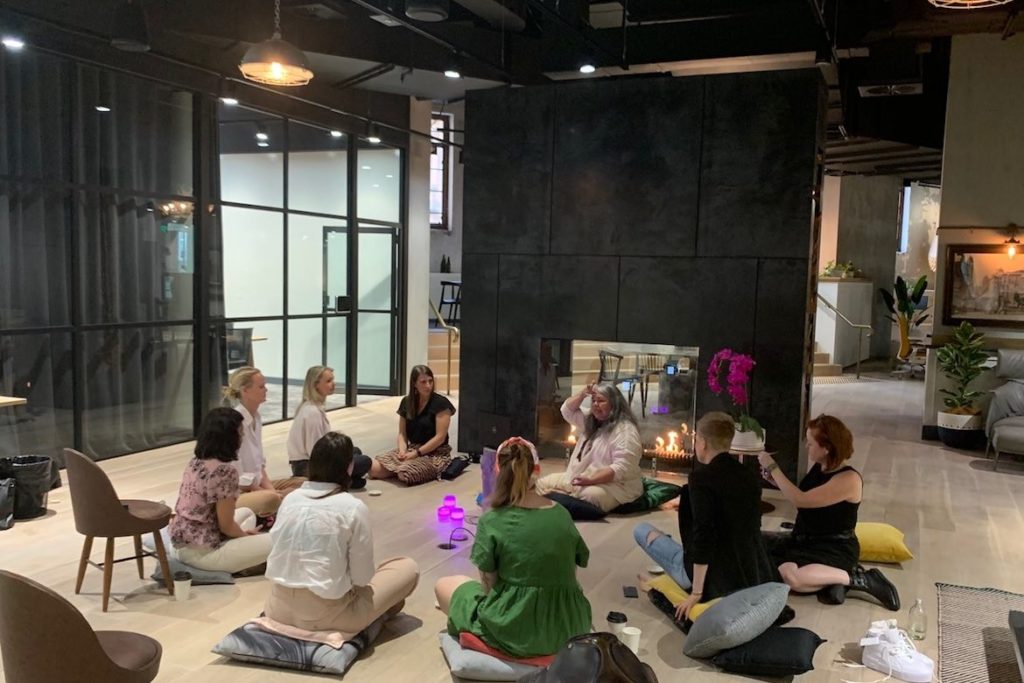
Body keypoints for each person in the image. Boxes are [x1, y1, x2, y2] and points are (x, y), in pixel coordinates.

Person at [435, 437, 593, 658]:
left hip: (513, 630)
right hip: (570, 626)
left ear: (498, 471)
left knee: (446, 585)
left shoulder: (492, 520)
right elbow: (574, 569)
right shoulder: (562, 514)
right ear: (536, 470)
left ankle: (500, 646)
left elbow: (488, 585)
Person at [265, 432, 419, 636]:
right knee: (407, 567)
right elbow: (362, 578)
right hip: (328, 617)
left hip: (276, 608)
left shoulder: (290, 499)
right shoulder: (352, 507)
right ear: (349, 467)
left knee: (386, 591)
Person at [633, 411, 778, 619]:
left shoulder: (701, 479)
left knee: (642, 530)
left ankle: (681, 579)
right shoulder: (749, 475)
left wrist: (696, 593)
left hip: (710, 576)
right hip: (748, 569)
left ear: (702, 442)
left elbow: (705, 535)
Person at [757, 414, 900, 611]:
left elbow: (801, 500)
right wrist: (775, 480)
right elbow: (807, 496)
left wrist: (773, 467)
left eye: (810, 443)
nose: (806, 447)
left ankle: (858, 578)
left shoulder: (848, 479)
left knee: (792, 578)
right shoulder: (821, 466)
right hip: (805, 541)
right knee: (768, 563)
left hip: (833, 548)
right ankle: (831, 583)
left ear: (826, 448)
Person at [168, 408, 273, 573]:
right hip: (203, 554)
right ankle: (241, 565)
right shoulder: (224, 472)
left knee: (247, 513)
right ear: (230, 437)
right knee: (278, 540)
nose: (242, 437)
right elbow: (226, 526)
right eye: (240, 433)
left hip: (179, 544)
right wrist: (246, 537)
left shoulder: (195, 462)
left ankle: (244, 559)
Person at [535, 383, 643, 513]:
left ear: (614, 405)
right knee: (539, 484)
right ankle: (561, 500)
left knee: (590, 496)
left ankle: (558, 502)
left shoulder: (625, 431)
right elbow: (567, 410)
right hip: (579, 478)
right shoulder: (591, 420)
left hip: (614, 486)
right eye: (593, 401)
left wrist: (591, 479)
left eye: (601, 401)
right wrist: (583, 394)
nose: (595, 405)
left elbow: (621, 468)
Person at [224, 366, 305, 516]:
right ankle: (277, 505)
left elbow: (260, 468)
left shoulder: (257, 418)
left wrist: (272, 490)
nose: (266, 390)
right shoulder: (233, 423)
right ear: (245, 390)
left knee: (305, 483)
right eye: (261, 386)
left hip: (259, 486)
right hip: (239, 492)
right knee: (273, 499)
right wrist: (272, 494)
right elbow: (237, 479)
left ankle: (278, 503)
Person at [286, 365, 372, 487]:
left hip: (307, 462)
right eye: (328, 381)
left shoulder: (312, 406)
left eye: (332, 380)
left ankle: (346, 479)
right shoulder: (312, 413)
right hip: (307, 466)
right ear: (316, 384)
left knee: (354, 451)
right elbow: (315, 452)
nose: (333, 384)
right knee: (365, 461)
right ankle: (336, 480)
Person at [369, 365, 456, 485]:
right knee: (373, 469)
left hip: (435, 453)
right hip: (413, 448)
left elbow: (440, 437)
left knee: (405, 474)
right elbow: (402, 433)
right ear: (414, 384)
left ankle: (400, 468)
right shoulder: (406, 402)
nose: (428, 385)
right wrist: (402, 450)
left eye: (430, 381)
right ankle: (399, 466)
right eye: (423, 382)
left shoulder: (441, 403)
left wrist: (416, 454)